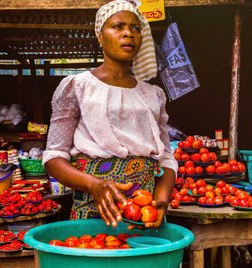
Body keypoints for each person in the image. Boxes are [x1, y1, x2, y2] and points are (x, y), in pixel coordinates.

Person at [42, 0, 177, 228]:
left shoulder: (153, 94)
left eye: (135, 28)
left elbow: (166, 159)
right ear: (100, 36)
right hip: (92, 207)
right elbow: (54, 157)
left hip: (143, 212)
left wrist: (160, 202)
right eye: (118, 26)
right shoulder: (77, 86)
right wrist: (94, 185)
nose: (128, 34)